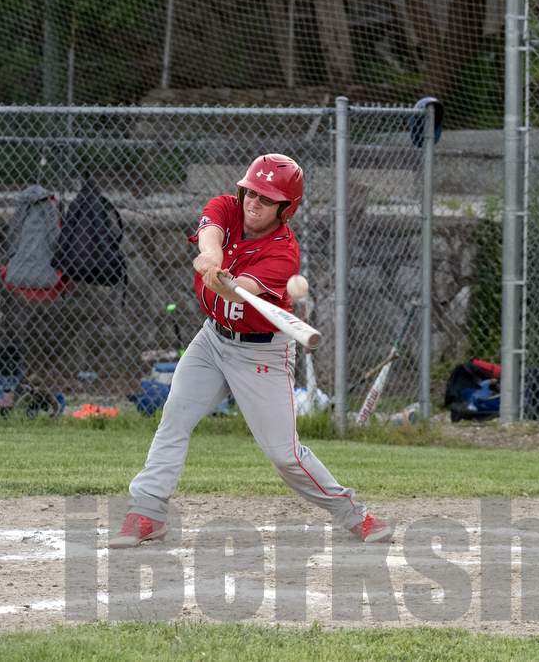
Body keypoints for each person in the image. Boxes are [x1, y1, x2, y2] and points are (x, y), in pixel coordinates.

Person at [110, 154, 391, 549]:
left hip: (262, 354)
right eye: (251, 193)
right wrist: (210, 256)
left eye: (266, 199)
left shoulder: (283, 254)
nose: (253, 203)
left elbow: (238, 289)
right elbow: (211, 232)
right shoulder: (227, 206)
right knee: (175, 417)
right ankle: (148, 511)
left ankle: (353, 515)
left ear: (285, 209)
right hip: (212, 340)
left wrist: (222, 281)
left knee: (284, 455)